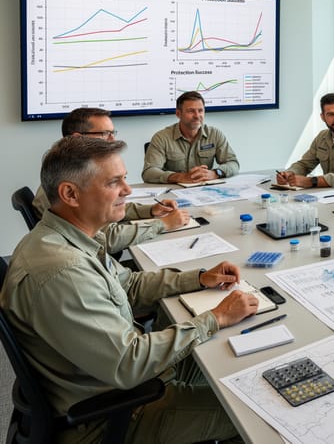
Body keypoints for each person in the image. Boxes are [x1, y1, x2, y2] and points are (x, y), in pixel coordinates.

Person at [0, 137, 258, 444]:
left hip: (114, 379)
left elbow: (129, 284)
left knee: (235, 357)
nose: (128, 190)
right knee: (255, 411)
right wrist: (215, 318)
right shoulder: (63, 271)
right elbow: (129, 364)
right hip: (114, 412)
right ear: (70, 193)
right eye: (114, 182)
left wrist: (200, 278)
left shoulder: (69, 239)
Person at [31, 107, 190, 254]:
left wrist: (150, 210)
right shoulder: (70, 181)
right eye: (105, 133)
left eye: (113, 132)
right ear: (78, 138)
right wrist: (163, 224)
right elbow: (108, 239)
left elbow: (107, 206)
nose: (113, 139)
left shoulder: (72, 170)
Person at [142, 91, 240, 184]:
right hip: (173, 192)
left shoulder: (215, 134)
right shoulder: (162, 138)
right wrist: (179, 177)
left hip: (205, 190)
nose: (197, 116)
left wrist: (215, 173)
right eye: (191, 111)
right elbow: (148, 172)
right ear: (178, 114)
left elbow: (233, 163)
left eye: (200, 110)